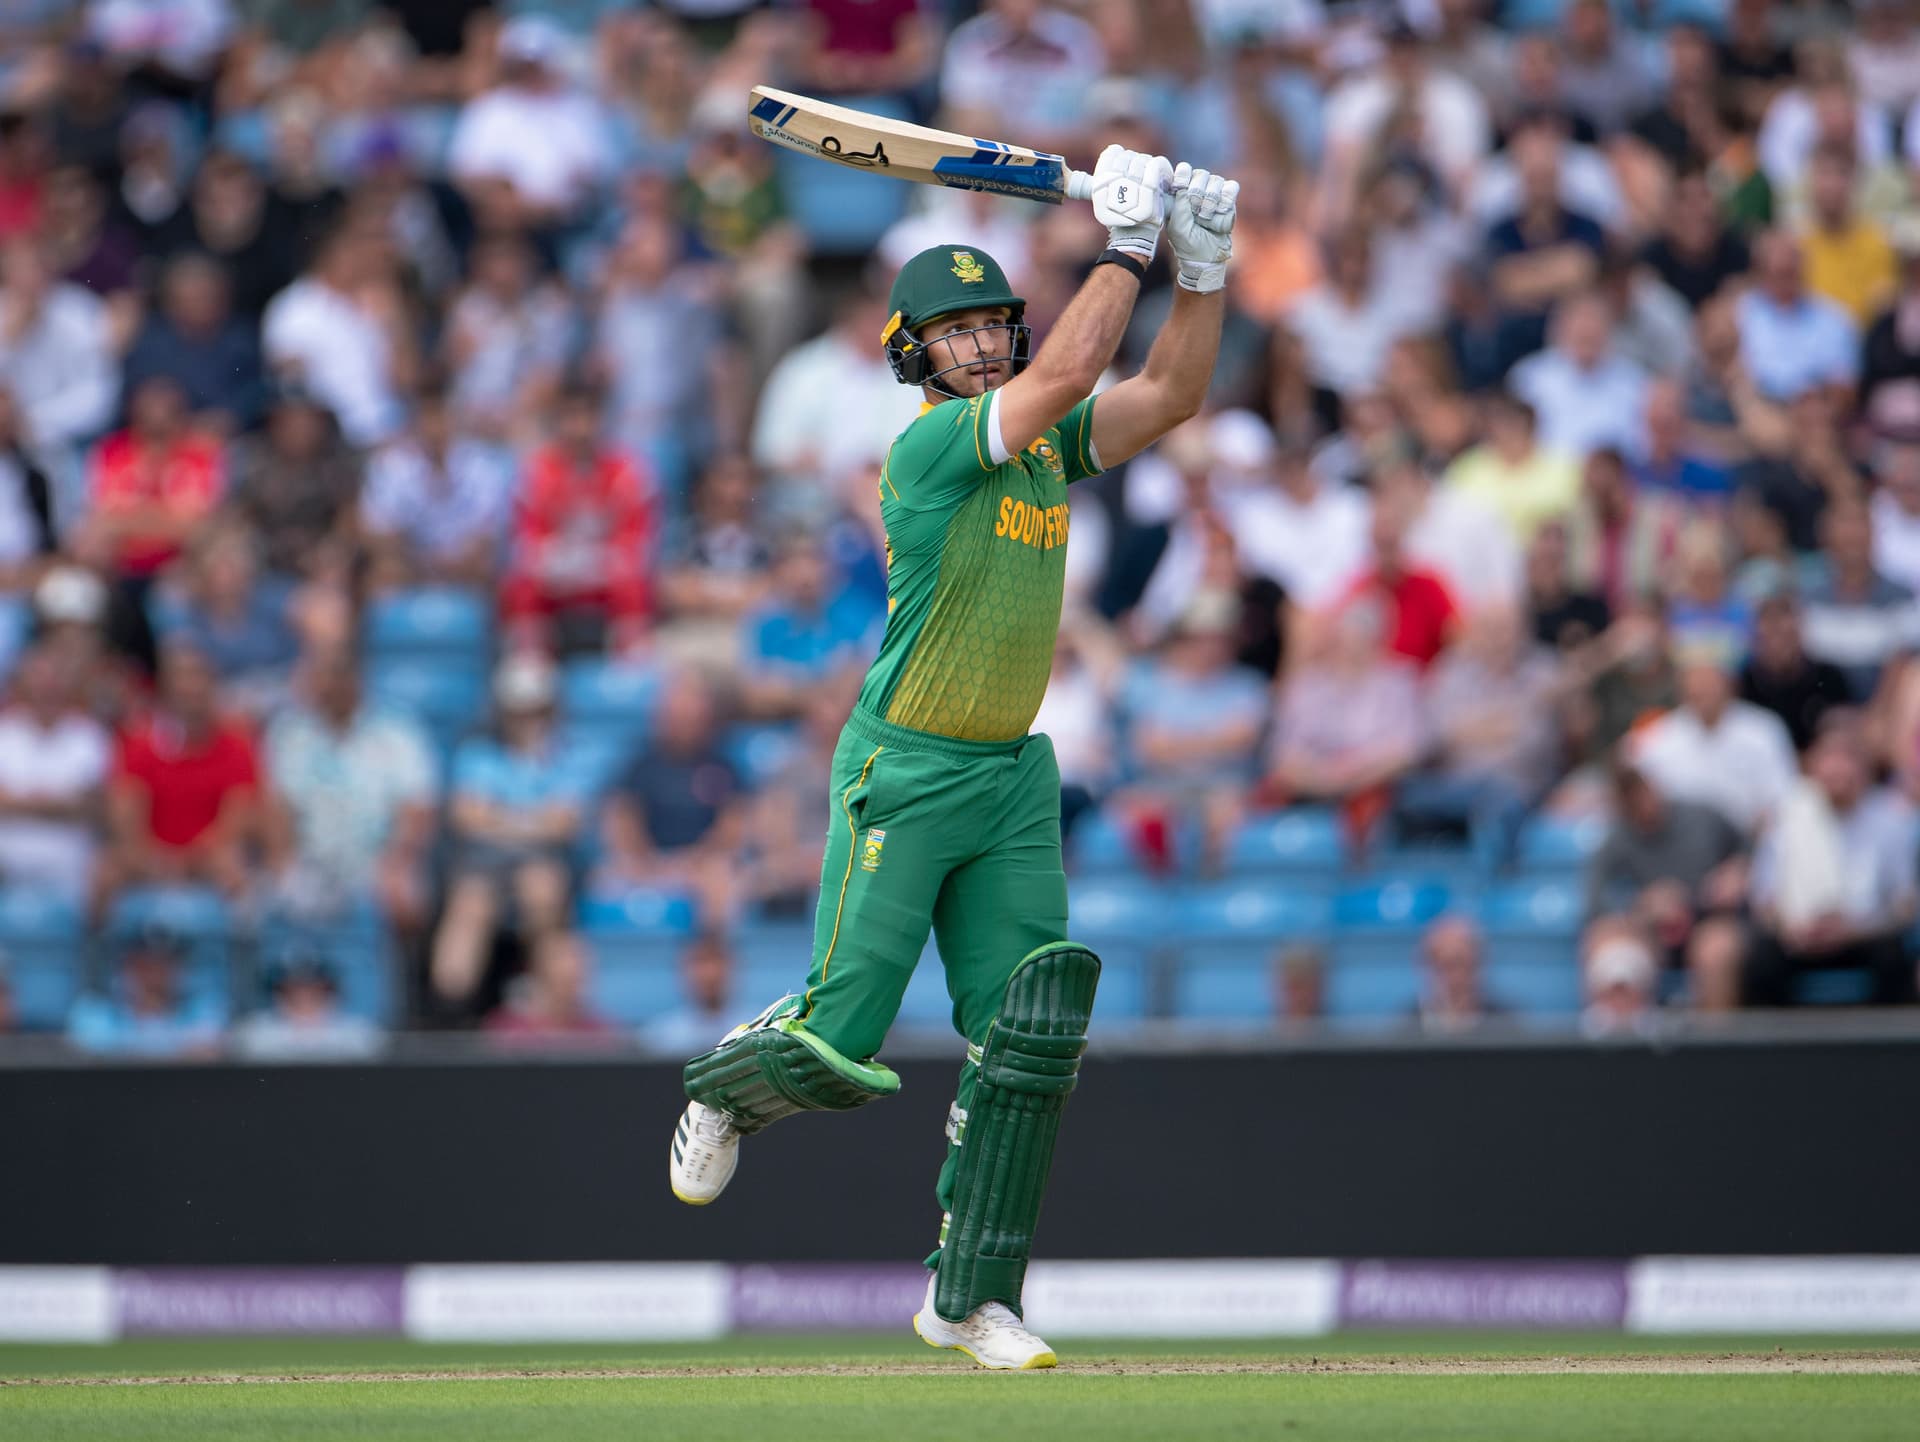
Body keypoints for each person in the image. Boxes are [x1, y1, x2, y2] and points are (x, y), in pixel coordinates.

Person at [668, 147, 1236, 1370]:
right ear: (912, 352)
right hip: (909, 769)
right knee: (837, 1043)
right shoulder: (929, 450)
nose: (983, 345)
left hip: (1009, 777)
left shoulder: (1045, 448)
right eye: (957, 331)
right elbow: (1080, 358)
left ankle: (969, 1296)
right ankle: (724, 1083)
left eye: (995, 325)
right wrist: (1126, 244)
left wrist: (1203, 265)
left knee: (1031, 1031)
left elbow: (1172, 393)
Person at [1747, 711, 1919, 1005]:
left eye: (1847, 759)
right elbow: (1763, 900)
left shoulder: (1894, 819)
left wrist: (1854, 929)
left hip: (1864, 936)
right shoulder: (1787, 817)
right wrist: (1789, 928)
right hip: (1798, 937)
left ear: (1864, 767)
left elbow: (1904, 905)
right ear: (1812, 766)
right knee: (1761, 959)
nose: (1837, 769)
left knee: (1892, 956)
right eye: (1829, 758)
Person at [232, 952, 385, 1060]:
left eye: (314, 990)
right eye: (293, 991)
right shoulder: (256, 1032)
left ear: (329, 991)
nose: (304, 997)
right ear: (279, 993)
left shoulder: (357, 1033)